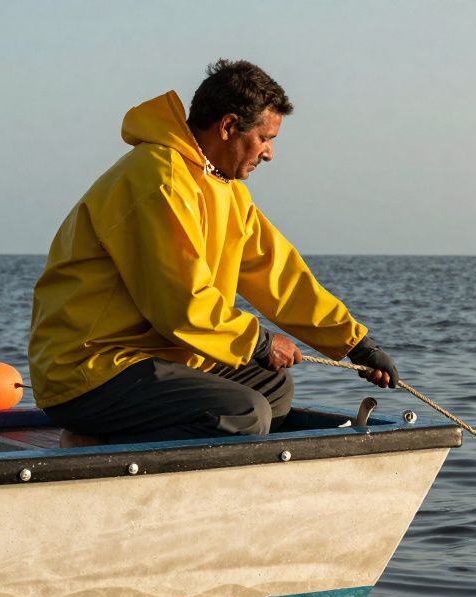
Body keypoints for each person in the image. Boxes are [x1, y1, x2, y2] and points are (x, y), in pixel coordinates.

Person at [28, 59, 397, 444]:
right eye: (265, 138)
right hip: (90, 368)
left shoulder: (225, 189)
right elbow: (181, 304)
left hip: (156, 359)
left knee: (272, 388)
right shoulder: (159, 180)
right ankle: (96, 444)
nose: (269, 153)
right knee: (243, 413)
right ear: (228, 127)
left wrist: (355, 343)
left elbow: (278, 275)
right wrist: (259, 342)